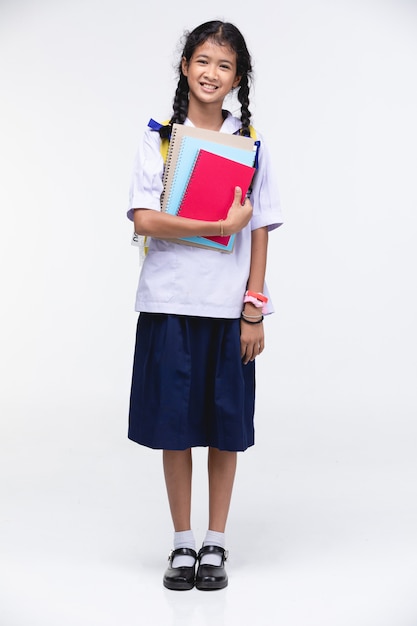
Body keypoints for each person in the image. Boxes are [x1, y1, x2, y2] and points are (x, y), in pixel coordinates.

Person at [126, 20, 283, 591]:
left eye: (224, 65)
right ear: (185, 66)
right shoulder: (161, 136)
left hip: (226, 308)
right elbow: (145, 219)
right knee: (174, 428)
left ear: (238, 77)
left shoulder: (251, 143)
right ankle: (182, 544)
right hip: (169, 300)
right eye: (202, 60)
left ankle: (215, 542)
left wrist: (253, 307)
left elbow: (261, 227)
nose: (211, 73)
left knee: (224, 428)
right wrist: (218, 225)